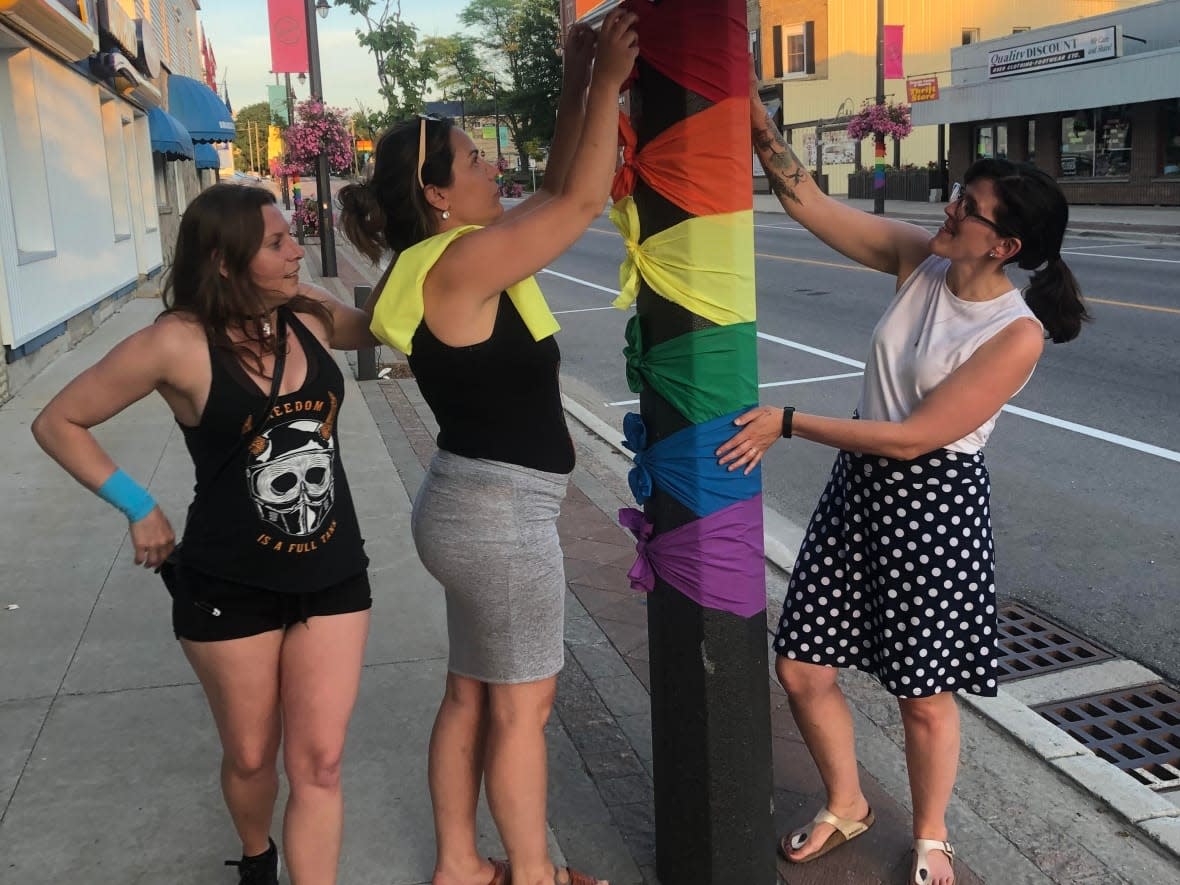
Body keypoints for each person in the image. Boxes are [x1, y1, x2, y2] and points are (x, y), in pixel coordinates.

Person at [717, 74, 1088, 885]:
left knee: (921, 692)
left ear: (1005, 246)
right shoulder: (920, 260)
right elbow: (808, 201)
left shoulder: (1013, 334)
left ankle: (930, 834)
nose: (949, 209)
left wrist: (789, 422)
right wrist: (748, 106)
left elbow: (919, 438)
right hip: (861, 490)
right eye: (958, 193)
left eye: (968, 208)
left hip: (933, 504)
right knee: (803, 664)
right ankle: (847, 800)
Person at [335, 13, 638, 885]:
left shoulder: (436, 259)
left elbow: (550, 192)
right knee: (523, 708)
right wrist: (610, 84)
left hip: (472, 504)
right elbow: (578, 202)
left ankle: (463, 865)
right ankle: (534, 876)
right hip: (499, 518)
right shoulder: (459, 268)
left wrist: (581, 74)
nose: (490, 166)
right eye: (472, 159)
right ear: (437, 191)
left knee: (472, 692)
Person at [32, 183, 381, 885]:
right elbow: (57, 421)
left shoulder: (306, 315)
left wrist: (401, 234)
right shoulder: (176, 343)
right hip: (230, 585)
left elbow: (385, 325)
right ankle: (258, 858)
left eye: (293, 237)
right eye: (278, 242)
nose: (295, 252)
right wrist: (138, 504)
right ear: (224, 260)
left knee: (320, 762)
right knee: (252, 755)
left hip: (333, 575)